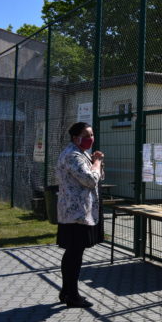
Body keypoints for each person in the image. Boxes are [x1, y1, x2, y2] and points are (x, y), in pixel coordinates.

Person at [56, 122, 105, 308]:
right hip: (75, 213)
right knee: (74, 254)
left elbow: (98, 177)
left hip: (79, 212)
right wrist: (97, 162)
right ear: (76, 138)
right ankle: (72, 295)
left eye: (91, 135)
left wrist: (96, 163)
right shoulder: (73, 155)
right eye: (86, 135)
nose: (90, 138)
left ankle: (67, 292)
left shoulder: (80, 153)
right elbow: (90, 179)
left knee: (74, 253)